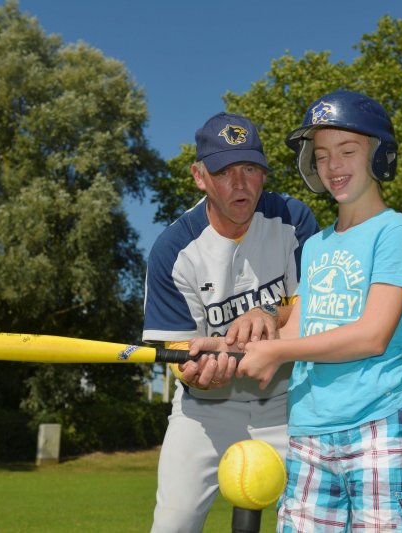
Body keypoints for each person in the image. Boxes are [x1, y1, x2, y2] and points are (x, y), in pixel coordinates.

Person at [191, 90, 402, 531]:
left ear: (380, 155)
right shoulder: (318, 245)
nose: (333, 166)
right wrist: (229, 345)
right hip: (307, 429)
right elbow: (297, 329)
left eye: (347, 151)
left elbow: (372, 335)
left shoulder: (394, 232)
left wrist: (279, 354)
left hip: (377, 423)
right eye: (321, 155)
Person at [143, 111, 320, 532]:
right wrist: (195, 375)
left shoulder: (293, 220)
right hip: (205, 411)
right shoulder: (173, 249)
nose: (240, 184)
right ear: (199, 177)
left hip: (286, 404)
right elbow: (179, 355)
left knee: (314, 522)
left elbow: (320, 306)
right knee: (173, 524)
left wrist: (270, 313)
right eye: (224, 172)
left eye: (250, 169)